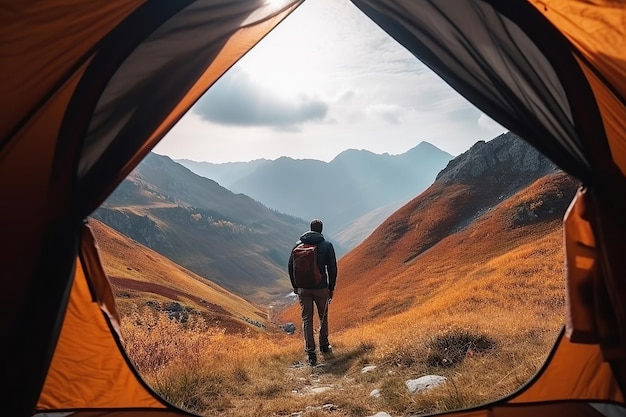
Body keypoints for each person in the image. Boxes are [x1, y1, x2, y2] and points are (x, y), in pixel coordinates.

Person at [288, 219, 337, 366]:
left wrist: (295, 286)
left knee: (307, 319)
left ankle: (310, 353)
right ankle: (324, 345)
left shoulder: (298, 245)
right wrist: (331, 287)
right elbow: (332, 268)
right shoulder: (326, 245)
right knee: (323, 316)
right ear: (321, 230)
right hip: (321, 288)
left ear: (310, 229)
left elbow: (290, 266)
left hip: (303, 288)